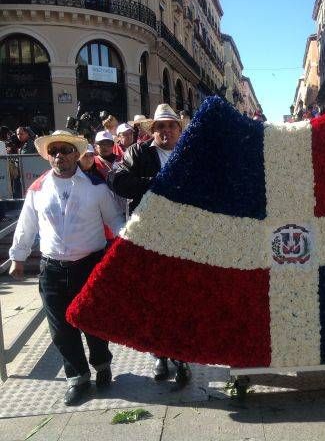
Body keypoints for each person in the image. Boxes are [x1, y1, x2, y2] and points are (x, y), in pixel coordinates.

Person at [8, 130, 124, 406]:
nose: (59, 155)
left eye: (65, 150)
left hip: (89, 265)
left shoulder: (96, 187)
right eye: (54, 151)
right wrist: (18, 257)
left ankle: (102, 365)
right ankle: (78, 378)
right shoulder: (37, 189)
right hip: (52, 269)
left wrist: (128, 242)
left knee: (93, 322)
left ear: (77, 154)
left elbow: (115, 219)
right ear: (49, 156)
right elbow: (26, 226)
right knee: (60, 329)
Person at [109, 104, 192, 385]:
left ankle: (181, 357)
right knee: (153, 298)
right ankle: (159, 355)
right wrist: (155, 184)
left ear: (179, 130)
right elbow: (117, 180)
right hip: (149, 236)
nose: (166, 130)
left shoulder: (192, 153)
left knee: (181, 299)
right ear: (152, 130)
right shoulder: (137, 153)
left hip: (185, 238)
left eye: (171, 125)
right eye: (160, 126)